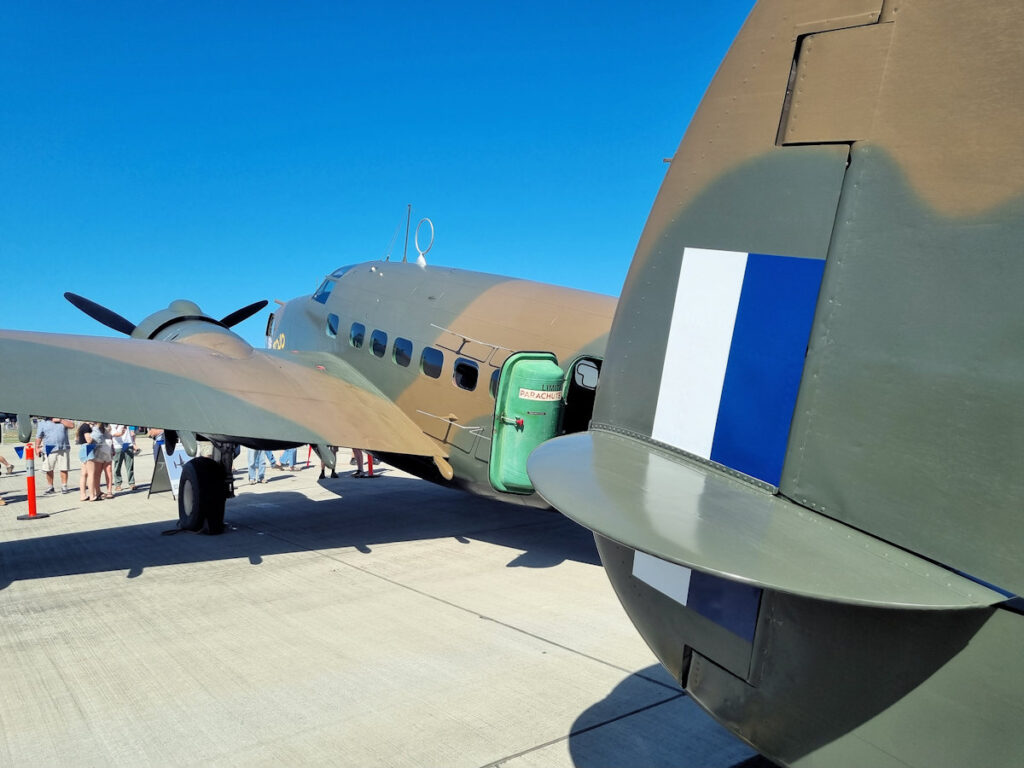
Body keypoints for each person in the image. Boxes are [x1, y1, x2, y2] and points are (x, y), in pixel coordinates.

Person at [35, 417, 74, 494]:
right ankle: (50, 487)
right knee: (48, 469)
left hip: (63, 448)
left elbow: (72, 425)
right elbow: (39, 436)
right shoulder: (42, 422)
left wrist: (60, 420)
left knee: (64, 468)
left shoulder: (62, 419)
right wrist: (36, 447)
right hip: (49, 449)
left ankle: (64, 486)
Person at [77, 421, 100, 502]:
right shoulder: (86, 426)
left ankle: (83, 495)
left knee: (84, 474)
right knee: (91, 474)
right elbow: (89, 440)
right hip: (88, 448)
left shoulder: (82, 426)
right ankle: (92, 495)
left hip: (83, 449)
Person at [111, 424, 136, 491]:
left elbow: (132, 433)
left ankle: (132, 483)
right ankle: (118, 484)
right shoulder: (113, 423)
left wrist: (134, 443)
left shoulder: (128, 421)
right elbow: (113, 434)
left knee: (130, 466)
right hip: (118, 446)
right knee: (117, 466)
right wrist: (121, 432)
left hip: (128, 444)